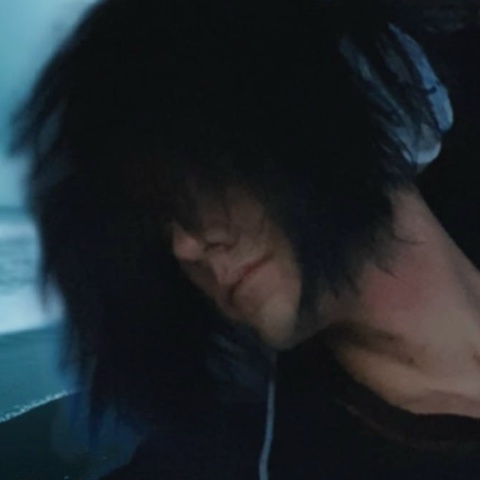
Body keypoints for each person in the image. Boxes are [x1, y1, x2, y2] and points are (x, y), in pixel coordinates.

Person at [9, 0, 480, 478]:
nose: (185, 248)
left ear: (328, 112)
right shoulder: (248, 458)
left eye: (201, 178)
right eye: (161, 222)